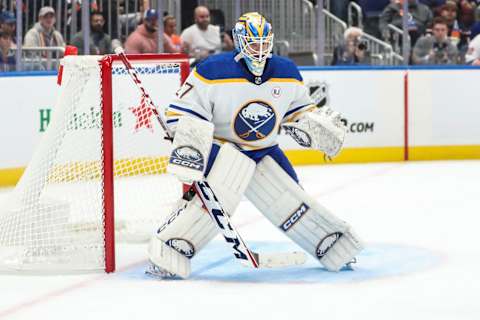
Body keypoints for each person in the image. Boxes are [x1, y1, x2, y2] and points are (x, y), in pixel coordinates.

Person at [146, 12, 363, 279]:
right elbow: (182, 113)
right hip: (224, 148)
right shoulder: (211, 70)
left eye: (263, 43)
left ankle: (332, 247)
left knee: (294, 199)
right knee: (216, 201)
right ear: (239, 42)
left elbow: (300, 112)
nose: (259, 50)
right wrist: (189, 139)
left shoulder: (286, 72)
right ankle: (171, 248)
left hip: (265, 148)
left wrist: (311, 125)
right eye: (253, 43)